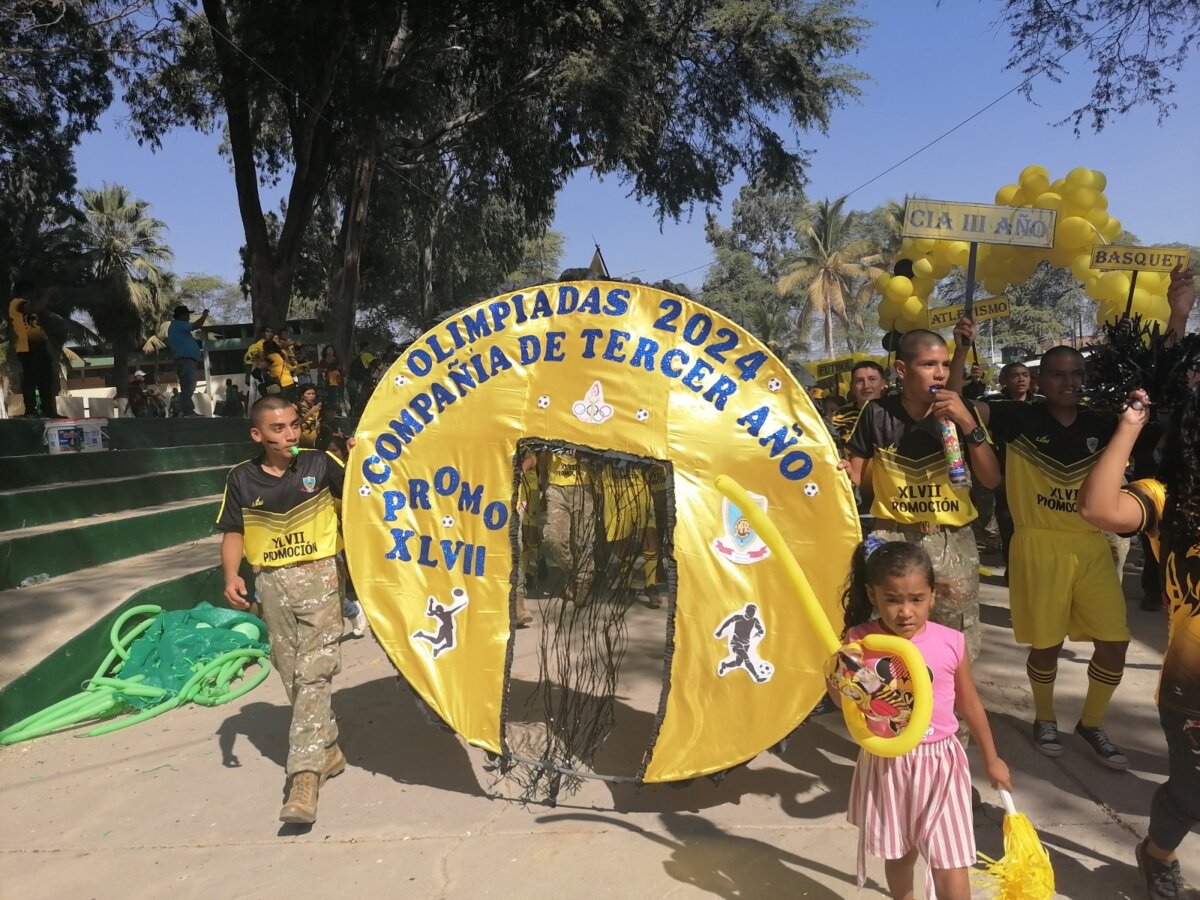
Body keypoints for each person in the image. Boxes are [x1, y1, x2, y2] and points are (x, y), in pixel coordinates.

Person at [952, 324, 1131, 768]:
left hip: (1092, 547)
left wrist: (1177, 317)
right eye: (1057, 374)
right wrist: (960, 352)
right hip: (1038, 544)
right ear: (1038, 380)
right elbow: (950, 404)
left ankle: (1092, 723)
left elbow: (1157, 382)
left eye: (1077, 373)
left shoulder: (1104, 420)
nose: (1069, 382)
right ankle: (1045, 717)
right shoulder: (1016, 416)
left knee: (1115, 641)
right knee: (1046, 644)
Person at [1078, 266, 1197, 900]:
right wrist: (1129, 426)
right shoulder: (1169, 500)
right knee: (1192, 794)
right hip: (1193, 688)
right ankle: (1156, 852)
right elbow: (1098, 508)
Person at [837, 538, 1011, 900]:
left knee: (951, 859)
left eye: (916, 599)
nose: (905, 612)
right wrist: (838, 682)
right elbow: (846, 702)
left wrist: (992, 759)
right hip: (888, 763)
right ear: (872, 595)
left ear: (932, 595)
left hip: (940, 763)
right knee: (900, 851)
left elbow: (971, 704)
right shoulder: (860, 642)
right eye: (893, 600)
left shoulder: (950, 641)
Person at [217, 395, 350, 825]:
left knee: (314, 671)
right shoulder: (241, 477)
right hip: (271, 583)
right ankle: (327, 748)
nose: (290, 435)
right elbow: (233, 530)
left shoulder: (320, 463)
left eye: (294, 425)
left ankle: (304, 776)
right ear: (258, 434)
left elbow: (364, 497)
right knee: (290, 669)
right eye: (278, 429)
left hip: (321, 576)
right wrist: (231, 576)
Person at [845, 329, 1001, 665]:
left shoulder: (960, 410)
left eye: (944, 364)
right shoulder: (875, 413)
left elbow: (991, 478)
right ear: (902, 370)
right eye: (929, 364)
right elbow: (855, 478)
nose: (941, 372)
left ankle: (948, 712)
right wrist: (841, 471)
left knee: (956, 637)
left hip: (951, 539)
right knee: (892, 637)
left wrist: (967, 423)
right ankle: (898, 712)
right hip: (894, 537)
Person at [8, 279, 58, 417]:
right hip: (27, 348)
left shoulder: (27, 305)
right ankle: (30, 410)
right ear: (26, 292)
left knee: (46, 379)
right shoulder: (17, 303)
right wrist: (47, 294)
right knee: (31, 379)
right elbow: (35, 308)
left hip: (39, 347)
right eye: (32, 292)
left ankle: (48, 409)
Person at [830, 361, 887, 447]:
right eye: (860, 381)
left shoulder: (895, 415)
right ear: (852, 386)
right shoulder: (838, 418)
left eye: (872, 379)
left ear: (883, 384)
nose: (866, 386)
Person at [167, 304, 209, 417]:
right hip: (185, 360)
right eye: (187, 315)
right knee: (189, 386)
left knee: (187, 386)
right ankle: (187, 411)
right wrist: (204, 315)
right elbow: (197, 325)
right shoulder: (179, 325)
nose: (189, 318)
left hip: (185, 360)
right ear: (181, 315)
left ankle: (187, 410)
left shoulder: (176, 326)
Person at [317, 345, 345, 415]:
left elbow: (342, 369)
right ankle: (334, 411)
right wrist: (324, 370)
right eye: (328, 350)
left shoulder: (337, 359)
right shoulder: (323, 361)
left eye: (332, 350)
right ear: (325, 352)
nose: (330, 351)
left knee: (340, 396)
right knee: (331, 397)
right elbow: (319, 370)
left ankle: (343, 411)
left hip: (339, 380)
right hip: (328, 382)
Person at [347, 341, 374, 405]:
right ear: (365, 347)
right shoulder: (367, 355)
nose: (371, 348)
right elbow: (375, 364)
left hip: (356, 379)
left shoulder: (359, 355)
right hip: (364, 379)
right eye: (369, 347)